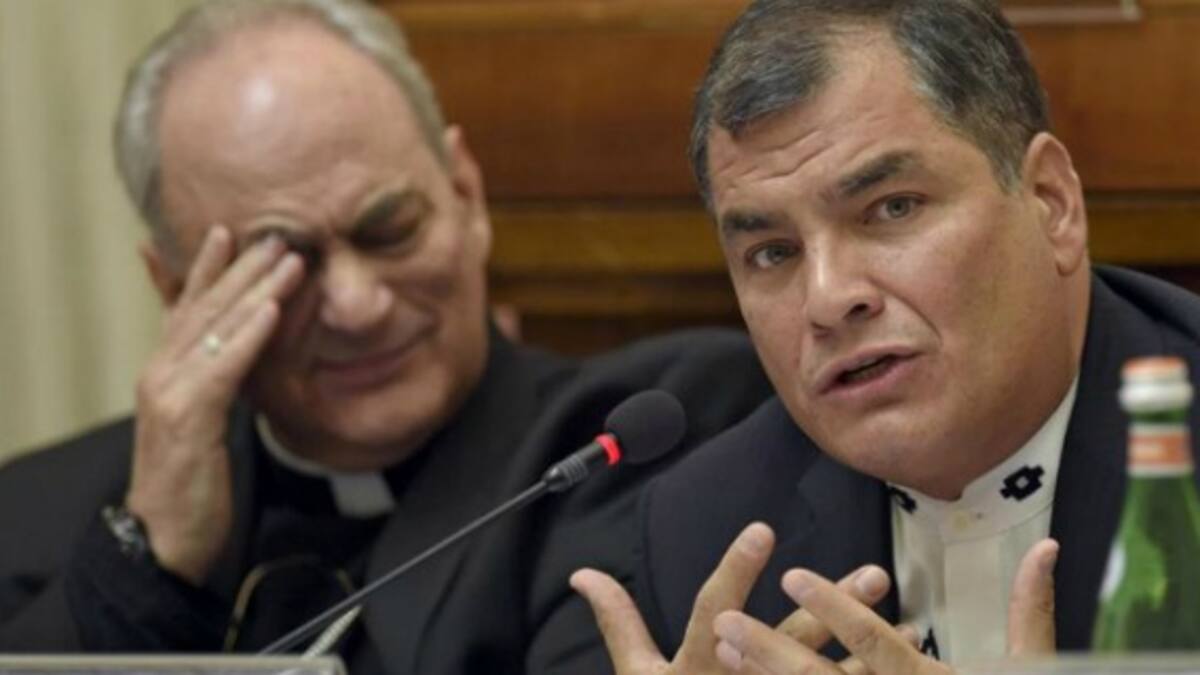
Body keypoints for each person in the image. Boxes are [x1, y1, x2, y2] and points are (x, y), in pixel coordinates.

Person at [0, 0, 773, 672]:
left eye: (390, 229)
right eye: (283, 261)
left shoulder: (647, 435)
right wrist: (147, 561)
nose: (359, 304)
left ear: (464, 193)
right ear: (175, 287)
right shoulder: (35, 517)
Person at [571, 0, 1200, 673]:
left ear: (1051, 203)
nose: (828, 299)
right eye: (772, 252)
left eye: (892, 209)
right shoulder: (708, 531)